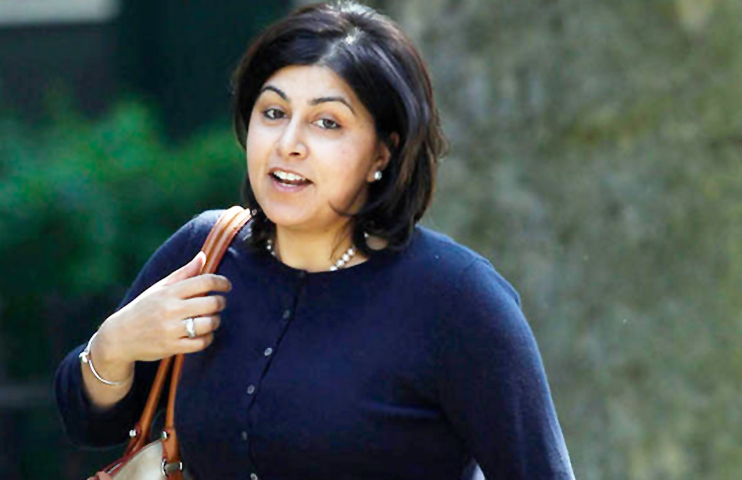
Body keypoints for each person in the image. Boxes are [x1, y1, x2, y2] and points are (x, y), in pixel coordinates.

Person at [54, 2, 575, 479]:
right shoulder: (206, 252)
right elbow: (89, 422)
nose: (289, 144)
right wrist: (116, 345)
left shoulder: (458, 300)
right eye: (273, 113)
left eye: (327, 122)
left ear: (382, 154)